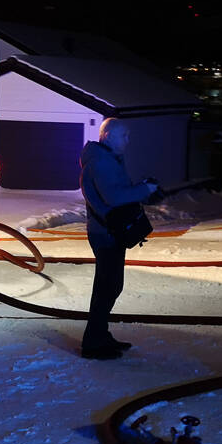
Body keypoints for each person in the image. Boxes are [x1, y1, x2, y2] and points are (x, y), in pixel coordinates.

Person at [79, 118, 160, 360]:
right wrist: (145, 190)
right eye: (124, 136)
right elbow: (114, 196)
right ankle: (93, 343)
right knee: (107, 287)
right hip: (106, 234)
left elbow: (117, 191)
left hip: (109, 232)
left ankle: (100, 335)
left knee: (110, 285)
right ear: (108, 136)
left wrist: (142, 190)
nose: (128, 141)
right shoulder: (102, 162)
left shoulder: (106, 159)